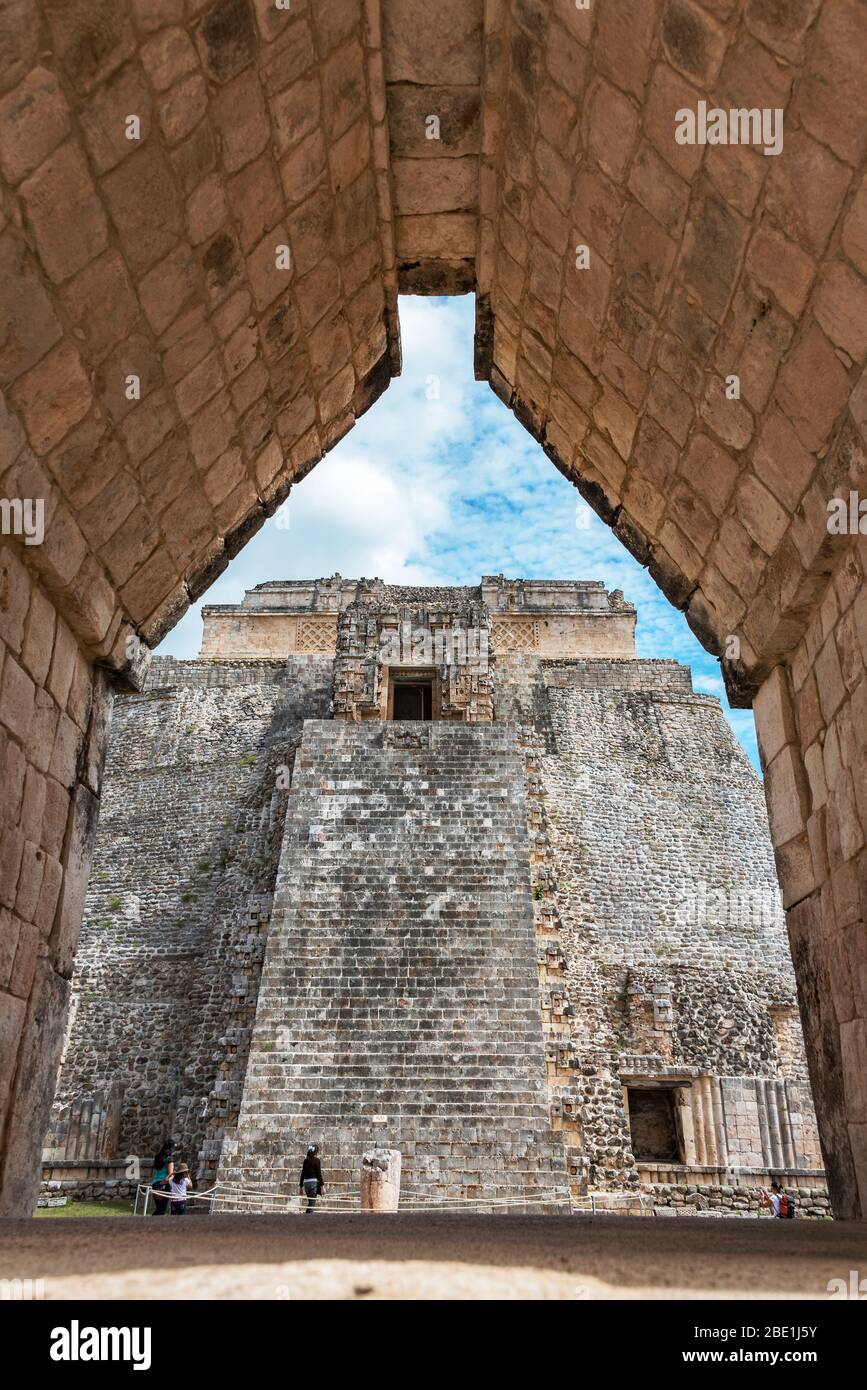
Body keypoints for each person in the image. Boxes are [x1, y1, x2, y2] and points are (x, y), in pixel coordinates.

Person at [151, 1138, 175, 1216]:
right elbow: (170, 1175)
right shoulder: (169, 1159)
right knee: (162, 1210)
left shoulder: (158, 1157)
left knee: (159, 1209)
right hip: (164, 1184)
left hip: (155, 1184)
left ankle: (148, 1223)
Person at [299, 1144, 325, 1214]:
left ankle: (307, 1216)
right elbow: (319, 1174)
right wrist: (322, 1187)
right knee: (312, 1203)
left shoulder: (305, 1161)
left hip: (306, 1184)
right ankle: (308, 1218)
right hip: (313, 1184)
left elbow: (302, 1174)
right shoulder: (317, 1160)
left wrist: (301, 1187)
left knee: (310, 1202)